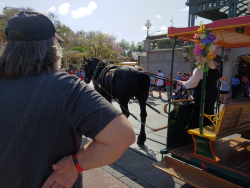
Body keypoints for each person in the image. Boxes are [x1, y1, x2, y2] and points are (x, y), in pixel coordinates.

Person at [0, 11, 135, 188]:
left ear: (8, 44)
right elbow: (123, 135)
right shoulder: (67, 88)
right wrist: (76, 163)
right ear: (51, 47)